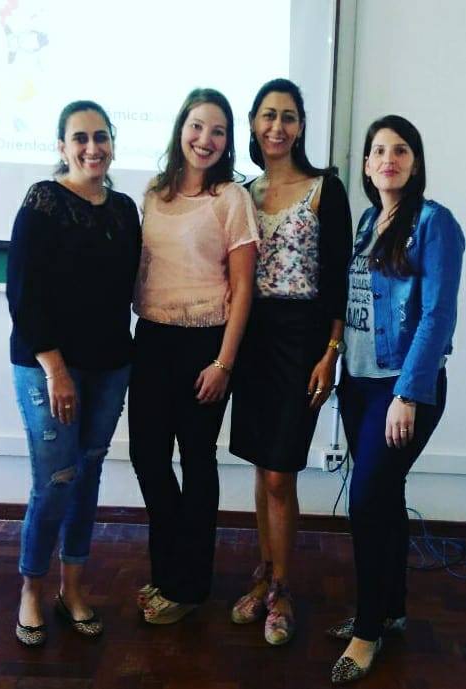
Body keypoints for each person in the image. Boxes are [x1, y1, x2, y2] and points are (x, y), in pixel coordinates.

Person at [327, 115, 464, 683]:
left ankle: (367, 629)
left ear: (416, 161)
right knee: (382, 496)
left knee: (366, 501)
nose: (389, 159)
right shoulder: (366, 221)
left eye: (401, 149)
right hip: (359, 383)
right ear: (365, 164)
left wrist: (408, 392)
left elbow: (437, 315)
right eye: (379, 150)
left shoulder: (435, 223)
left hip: (403, 387)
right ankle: (393, 608)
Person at [6, 100, 141, 646]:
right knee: (56, 481)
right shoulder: (43, 200)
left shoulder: (126, 207)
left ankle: (73, 587)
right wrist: (57, 369)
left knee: (86, 476)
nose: (92, 147)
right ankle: (31, 591)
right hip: (46, 367)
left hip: (111, 366)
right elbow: (22, 291)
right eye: (80, 138)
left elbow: (133, 287)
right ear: (61, 146)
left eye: (101, 137)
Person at [228, 78, 352, 645]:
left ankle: (284, 589)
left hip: (302, 340)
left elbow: (338, 279)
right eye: (268, 116)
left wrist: (331, 351)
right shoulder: (242, 194)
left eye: (289, 117)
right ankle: (263, 575)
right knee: (261, 466)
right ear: (253, 124)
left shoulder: (326, 188)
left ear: (301, 126)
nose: (277, 127)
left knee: (282, 470)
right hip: (252, 337)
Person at [129, 88, 259, 624]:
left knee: (197, 461)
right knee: (147, 458)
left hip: (206, 345)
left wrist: (224, 363)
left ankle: (188, 587)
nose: (205, 140)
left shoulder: (231, 198)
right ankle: (167, 572)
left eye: (218, 131)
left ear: (228, 142)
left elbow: (244, 288)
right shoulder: (153, 194)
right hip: (152, 339)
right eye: (197, 126)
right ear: (180, 128)